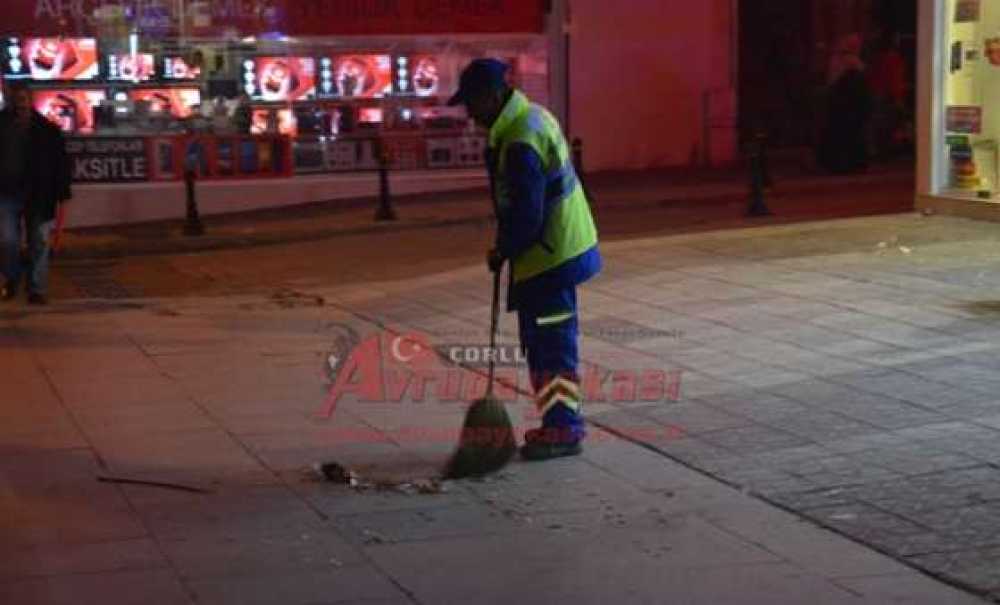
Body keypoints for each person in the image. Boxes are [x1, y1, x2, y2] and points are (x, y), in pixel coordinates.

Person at [448, 59, 602, 461]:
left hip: (552, 258)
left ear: (492, 96)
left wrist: (504, 249)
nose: (470, 114)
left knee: (551, 346)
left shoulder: (519, 140)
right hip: (555, 251)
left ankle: (564, 430)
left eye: (472, 103)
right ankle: (558, 424)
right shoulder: (530, 118)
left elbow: (528, 215)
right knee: (545, 343)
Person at [0, 81, 72, 304]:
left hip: (39, 194)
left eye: (23, 99)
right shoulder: (2, 125)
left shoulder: (47, 130)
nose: (19, 104)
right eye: (16, 100)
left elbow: (59, 163)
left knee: (39, 242)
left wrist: (62, 192)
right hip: (7, 191)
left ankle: (36, 288)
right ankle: (12, 278)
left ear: (30, 101)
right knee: (8, 240)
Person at [817, 34, 874, 174]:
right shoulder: (848, 61)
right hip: (847, 104)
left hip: (843, 104)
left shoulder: (839, 59)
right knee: (847, 135)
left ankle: (841, 164)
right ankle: (846, 164)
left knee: (843, 134)